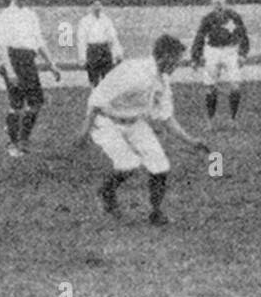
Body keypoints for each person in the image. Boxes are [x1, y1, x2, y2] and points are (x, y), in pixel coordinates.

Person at [76, 35, 210, 226]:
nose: (178, 64)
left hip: (135, 123)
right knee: (128, 164)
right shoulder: (133, 72)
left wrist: (191, 141)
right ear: (165, 56)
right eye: (176, 60)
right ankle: (106, 191)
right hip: (106, 122)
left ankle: (156, 213)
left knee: (161, 166)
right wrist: (84, 131)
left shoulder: (162, 81)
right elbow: (97, 98)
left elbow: (166, 117)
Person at [0, 0, 62, 157]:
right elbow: (1, 45)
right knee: (16, 106)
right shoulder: (5, 16)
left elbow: (39, 42)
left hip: (29, 61)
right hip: (13, 60)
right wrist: (9, 71)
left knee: (36, 103)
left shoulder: (31, 15)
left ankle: (23, 139)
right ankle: (12, 143)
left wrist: (51, 64)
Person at [190, 0, 250, 129]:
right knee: (210, 87)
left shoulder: (234, 16)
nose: (218, 1)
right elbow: (199, 37)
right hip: (212, 51)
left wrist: (242, 54)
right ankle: (210, 122)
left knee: (235, 86)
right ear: (211, 1)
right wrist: (195, 57)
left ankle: (233, 120)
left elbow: (243, 36)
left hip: (230, 51)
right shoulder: (208, 18)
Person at [77, 0, 123, 87]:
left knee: (108, 80)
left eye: (99, 5)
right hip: (92, 51)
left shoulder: (106, 20)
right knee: (94, 81)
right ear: (91, 7)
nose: (97, 8)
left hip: (105, 50)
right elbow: (81, 40)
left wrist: (118, 53)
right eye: (95, 5)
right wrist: (82, 57)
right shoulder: (85, 21)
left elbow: (113, 38)